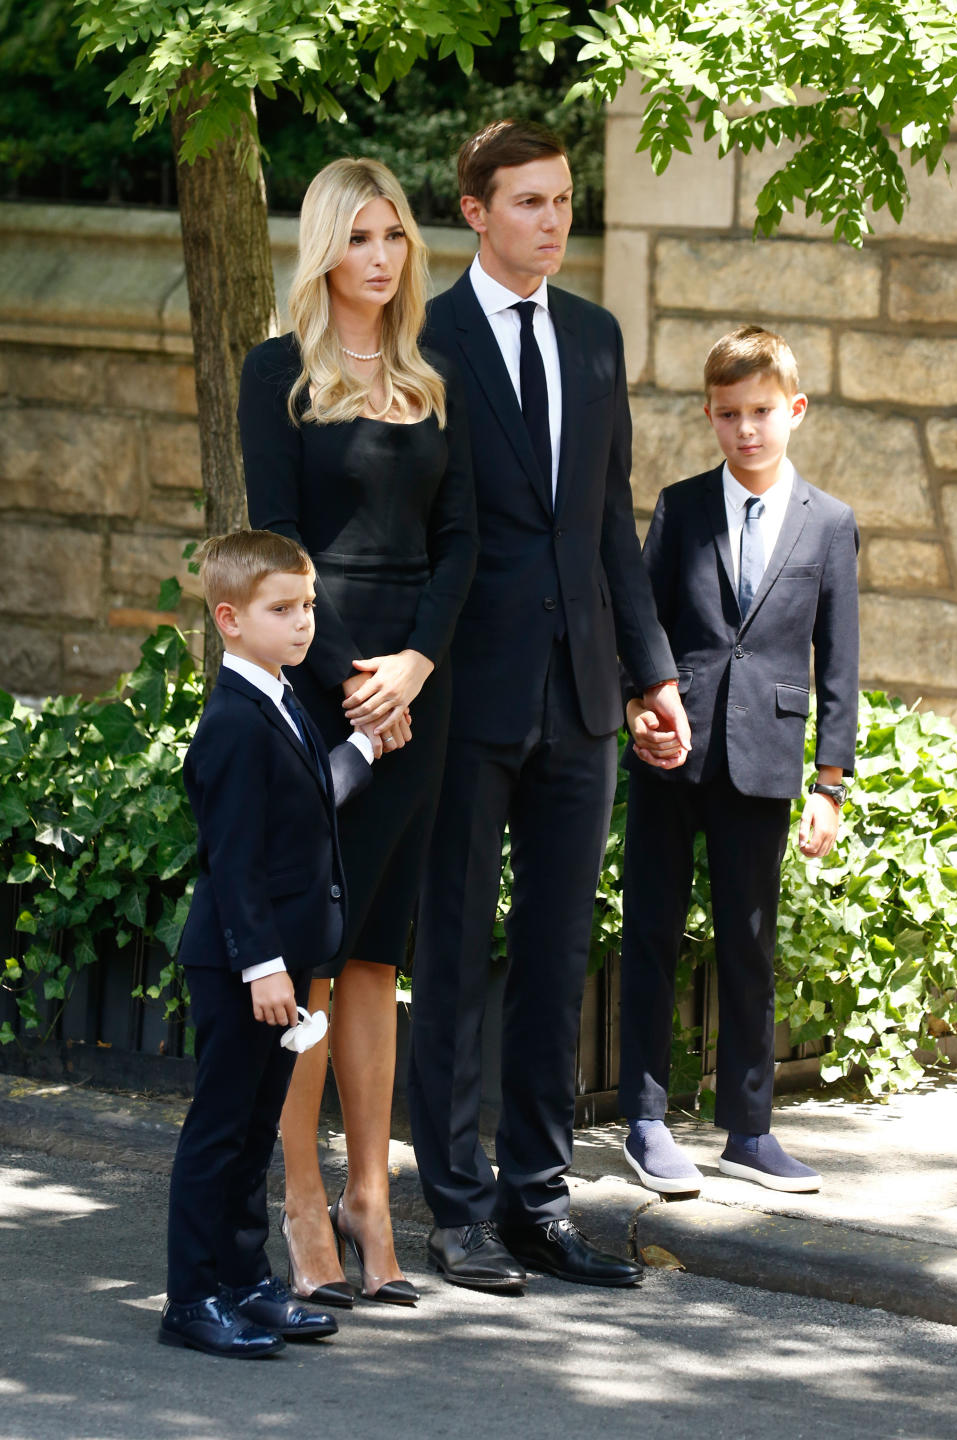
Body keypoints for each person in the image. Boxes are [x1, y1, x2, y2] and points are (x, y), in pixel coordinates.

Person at [407, 120, 690, 1293]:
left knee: (556, 954)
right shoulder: (428, 336)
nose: (554, 220)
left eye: (564, 200)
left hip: (580, 699)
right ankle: (455, 1208)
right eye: (528, 202)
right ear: (475, 210)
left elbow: (608, 524)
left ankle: (535, 1200)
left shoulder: (593, 333)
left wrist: (652, 672)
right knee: (458, 949)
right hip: (468, 693)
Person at [239, 158, 477, 1307]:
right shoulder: (277, 375)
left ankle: (372, 1199)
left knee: (378, 950)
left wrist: (415, 670)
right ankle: (298, 1198)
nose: (381, 257)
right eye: (361, 236)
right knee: (316, 955)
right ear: (326, 246)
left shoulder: (435, 380)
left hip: (415, 696)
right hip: (315, 684)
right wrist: (347, 681)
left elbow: (463, 543)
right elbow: (278, 543)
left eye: (396, 237)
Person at [619, 324, 860, 1197]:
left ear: (793, 410)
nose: (745, 429)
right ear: (710, 417)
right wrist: (638, 706)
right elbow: (640, 625)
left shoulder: (831, 525)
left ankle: (750, 1132)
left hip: (763, 759)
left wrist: (831, 785)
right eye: (728, 414)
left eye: (761, 411)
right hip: (670, 750)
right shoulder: (680, 508)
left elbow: (839, 665)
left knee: (749, 942)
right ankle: (646, 1122)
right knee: (649, 929)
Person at [160, 530, 374, 1358]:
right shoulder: (232, 724)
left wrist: (359, 748)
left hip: (280, 969)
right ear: (229, 619)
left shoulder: (279, 702)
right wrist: (263, 966)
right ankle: (190, 1299)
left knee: (255, 1135)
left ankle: (245, 1283)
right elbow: (235, 860)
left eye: (308, 606)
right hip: (241, 966)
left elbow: (312, 799)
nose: (303, 624)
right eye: (281, 610)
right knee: (218, 1133)